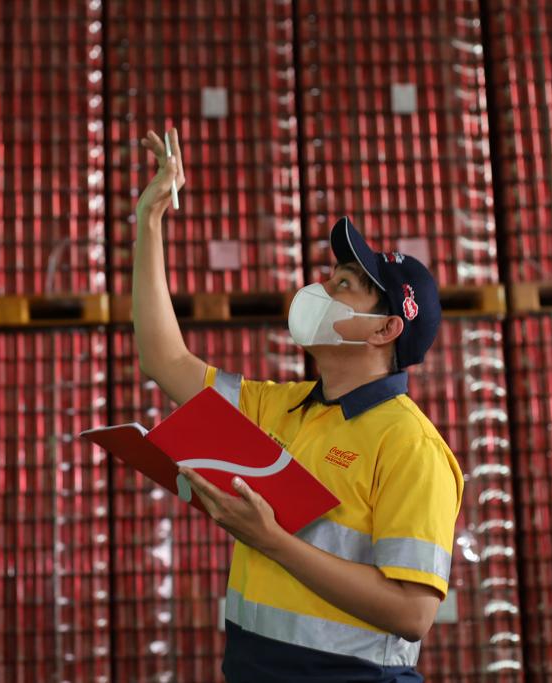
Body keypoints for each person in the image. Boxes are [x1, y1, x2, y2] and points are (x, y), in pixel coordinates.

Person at [132, 128, 464, 683]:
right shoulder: (281, 408)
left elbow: (413, 613)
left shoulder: (411, 447)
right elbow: (166, 361)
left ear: (384, 328)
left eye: (343, 285)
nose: (319, 290)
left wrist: (272, 542)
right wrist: (148, 223)